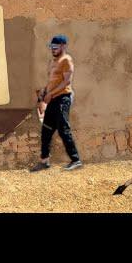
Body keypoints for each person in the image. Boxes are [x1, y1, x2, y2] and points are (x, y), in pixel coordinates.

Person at [30, 35, 83, 172]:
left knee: (63, 129)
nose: (53, 49)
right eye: (51, 47)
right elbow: (52, 82)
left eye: (56, 47)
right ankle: (44, 161)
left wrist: (51, 94)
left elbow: (66, 82)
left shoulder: (66, 60)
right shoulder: (53, 62)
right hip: (53, 99)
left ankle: (75, 160)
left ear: (63, 46)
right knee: (46, 130)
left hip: (63, 98)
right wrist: (44, 92)